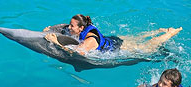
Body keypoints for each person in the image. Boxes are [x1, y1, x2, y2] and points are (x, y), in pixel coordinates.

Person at [44, 14, 183, 56]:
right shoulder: (83, 26)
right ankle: (159, 30)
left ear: (81, 28)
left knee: (148, 46)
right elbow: (63, 27)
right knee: (136, 38)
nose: (69, 28)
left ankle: (169, 33)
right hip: (113, 40)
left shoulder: (90, 40)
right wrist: (51, 29)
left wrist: (55, 42)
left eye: (71, 26)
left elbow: (77, 53)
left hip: (118, 48)